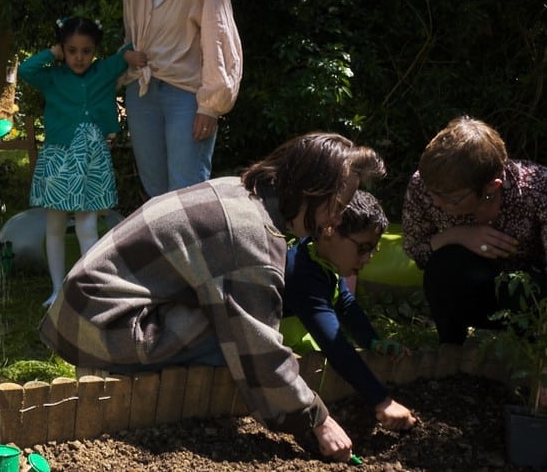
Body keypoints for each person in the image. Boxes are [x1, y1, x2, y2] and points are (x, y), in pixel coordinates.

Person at [39, 132, 386, 462]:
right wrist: (317, 420)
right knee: (237, 334)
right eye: (338, 205)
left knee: (237, 319)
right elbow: (259, 352)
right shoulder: (251, 239)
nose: (337, 219)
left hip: (84, 308)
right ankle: (173, 407)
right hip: (97, 327)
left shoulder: (240, 190)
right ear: (314, 190)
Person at [120, 0, 243, 198]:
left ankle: (195, 251)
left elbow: (219, 34)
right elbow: (132, 38)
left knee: (187, 194)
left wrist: (211, 105)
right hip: (142, 93)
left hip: (188, 95)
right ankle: (163, 251)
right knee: (156, 195)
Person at [19, 17, 145, 306]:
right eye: (72, 50)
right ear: (63, 48)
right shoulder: (53, 76)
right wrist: (53, 53)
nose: (79, 57)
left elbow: (123, 55)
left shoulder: (102, 71)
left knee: (87, 226)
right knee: (55, 225)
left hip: (91, 159)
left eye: (86, 51)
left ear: (95, 50)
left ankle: (89, 288)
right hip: (59, 158)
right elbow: (27, 69)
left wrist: (127, 54)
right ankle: (57, 289)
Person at [402, 116, 547, 345]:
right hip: (473, 289)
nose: (436, 202)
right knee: (444, 265)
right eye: (433, 193)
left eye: (450, 198)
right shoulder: (424, 186)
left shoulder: (537, 189)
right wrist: (457, 235)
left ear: (491, 187)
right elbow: (415, 249)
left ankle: (531, 354)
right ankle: (451, 351)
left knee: (524, 288)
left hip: (529, 297)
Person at [282, 190, 418, 431]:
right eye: (363, 248)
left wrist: (373, 342)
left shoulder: (318, 255)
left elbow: (345, 303)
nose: (367, 258)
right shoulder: (304, 277)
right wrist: (383, 401)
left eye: (373, 249)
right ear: (328, 232)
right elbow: (336, 347)